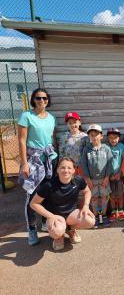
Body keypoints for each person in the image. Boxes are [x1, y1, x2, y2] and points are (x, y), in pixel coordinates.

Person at [17, 88, 58, 246]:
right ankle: (32, 229)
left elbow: (50, 139)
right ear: (33, 99)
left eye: (45, 98)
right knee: (31, 196)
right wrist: (25, 163)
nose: (42, 101)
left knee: (47, 193)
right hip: (33, 161)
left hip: (50, 160)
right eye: (38, 98)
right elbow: (21, 140)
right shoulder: (26, 116)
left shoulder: (51, 118)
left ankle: (44, 222)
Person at [30, 158, 95, 251]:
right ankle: (58, 236)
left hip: (71, 215)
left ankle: (70, 229)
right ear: (57, 170)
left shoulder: (78, 180)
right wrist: (50, 216)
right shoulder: (49, 185)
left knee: (90, 221)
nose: (66, 170)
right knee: (57, 231)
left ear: (73, 170)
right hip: (55, 216)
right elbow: (33, 204)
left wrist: (86, 206)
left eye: (69, 168)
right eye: (63, 167)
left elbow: (87, 191)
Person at [81, 124, 113, 228]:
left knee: (104, 197)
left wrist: (107, 177)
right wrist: (87, 179)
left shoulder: (106, 148)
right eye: (91, 135)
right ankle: (95, 216)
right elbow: (84, 164)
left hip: (104, 179)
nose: (94, 137)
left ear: (101, 136)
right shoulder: (86, 149)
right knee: (94, 198)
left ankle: (103, 215)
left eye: (96, 134)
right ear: (89, 136)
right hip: (92, 180)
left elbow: (109, 163)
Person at [106, 128, 124, 221]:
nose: (113, 140)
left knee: (120, 193)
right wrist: (108, 175)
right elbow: (105, 162)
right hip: (110, 176)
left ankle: (121, 210)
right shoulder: (106, 147)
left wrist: (120, 173)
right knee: (111, 194)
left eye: (115, 137)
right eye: (111, 137)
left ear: (119, 138)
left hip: (120, 175)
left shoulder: (122, 147)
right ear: (108, 138)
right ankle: (114, 211)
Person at [59, 112, 89, 176]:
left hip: (82, 167)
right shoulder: (64, 137)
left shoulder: (85, 137)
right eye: (70, 123)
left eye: (75, 122)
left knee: (81, 184)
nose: (73, 125)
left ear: (79, 123)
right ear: (67, 124)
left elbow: (88, 152)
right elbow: (61, 153)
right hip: (69, 168)